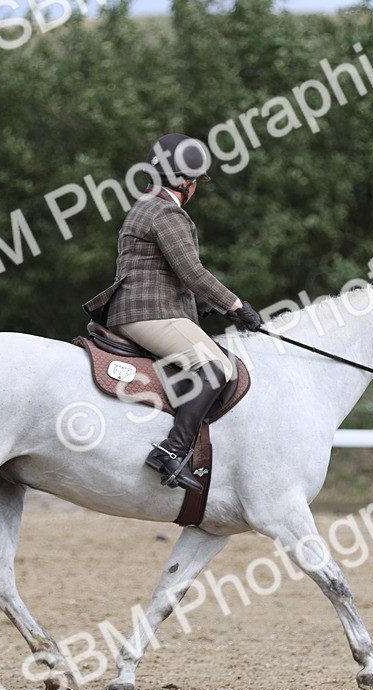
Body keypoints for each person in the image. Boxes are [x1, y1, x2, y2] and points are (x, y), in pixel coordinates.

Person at [83, 133, 262, 493]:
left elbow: (161, 272)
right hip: (148, 314)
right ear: (184, 181)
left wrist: (206, 304)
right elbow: (193, 273)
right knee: (215, 367)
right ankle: (172, 450)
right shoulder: (166, 212)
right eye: (195, 181)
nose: (195, 188)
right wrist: (236, 306)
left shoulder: (145, 205)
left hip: (142, 309)